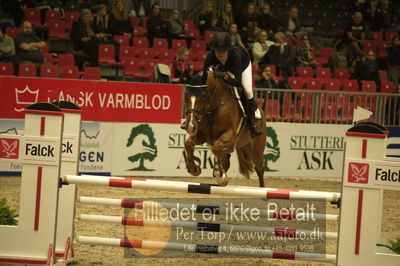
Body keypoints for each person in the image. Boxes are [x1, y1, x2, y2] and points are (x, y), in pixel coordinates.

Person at [202, 32, 262, 138]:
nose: (220, 54)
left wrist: (224, 76)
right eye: (218, 51)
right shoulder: (210, 57)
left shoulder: (235, 56)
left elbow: (238, 82)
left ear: (228, 50)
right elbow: (203, 76)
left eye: (223, 51)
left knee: (247, 90)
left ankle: (252, 124)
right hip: (224, 68)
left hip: (243, 65)